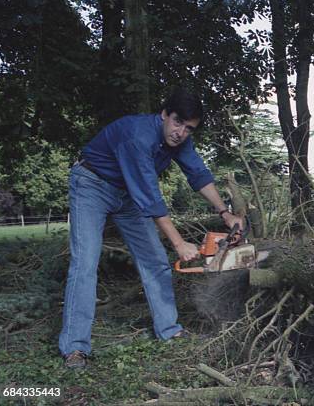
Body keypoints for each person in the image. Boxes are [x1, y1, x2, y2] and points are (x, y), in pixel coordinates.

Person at [59, 88, 243, 368]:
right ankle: (74, 348)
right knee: (85, 263)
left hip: (127, 194)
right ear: (164, 115)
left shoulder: (181, 141)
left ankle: (169, 331)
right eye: (177, 121)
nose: (180, 132)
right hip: (91, 185)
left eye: (189, 128)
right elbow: (149, 196)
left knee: (156, 261)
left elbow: (198, 174)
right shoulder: (138, 136)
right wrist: (179, 243)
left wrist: (225, 214)